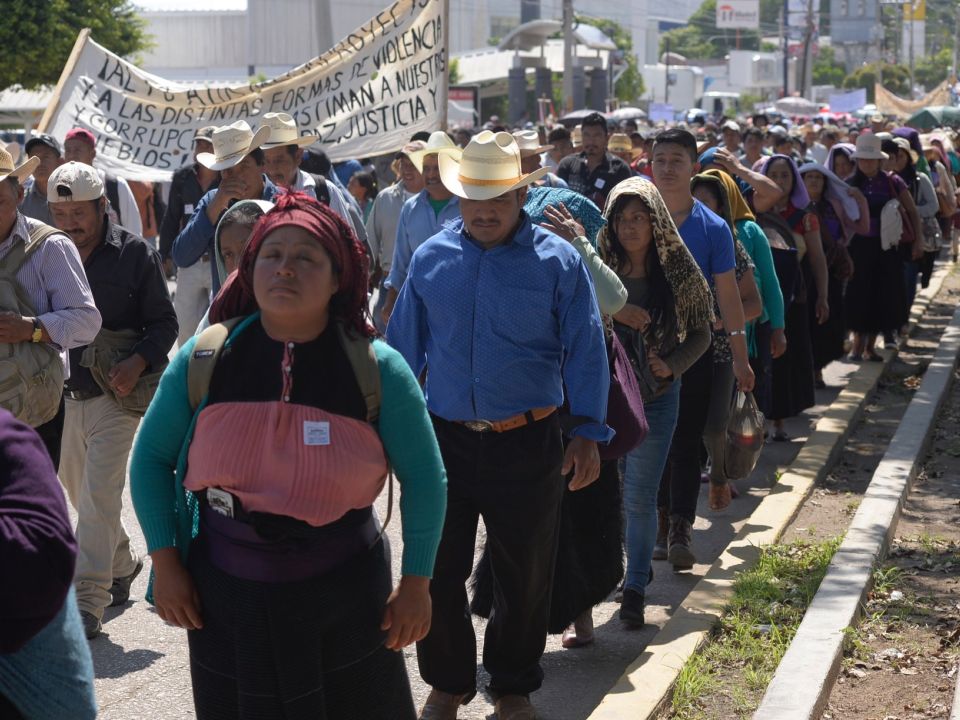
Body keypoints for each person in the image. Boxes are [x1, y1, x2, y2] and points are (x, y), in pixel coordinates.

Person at [130, 192, 447, 719]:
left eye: (306, 257)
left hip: (346, 592)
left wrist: (417, 582)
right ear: (250, 269)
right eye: (272, 255)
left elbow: (424, 477)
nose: (286, 268)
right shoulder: (206, 356)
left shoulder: (377, 368)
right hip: (226, 597)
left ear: (339, 276)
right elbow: (150, 461)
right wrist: (166, 563)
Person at [387, 131, 610, 720]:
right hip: (444, 441)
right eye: (474, 198)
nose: (485, 211)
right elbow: (402, 349)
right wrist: (388, 430)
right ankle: (448, 682)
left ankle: (512, 683)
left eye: (500, 199)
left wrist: (588, 429)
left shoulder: (558, 261)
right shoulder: (432, 258)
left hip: (530, 440)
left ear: (519, 196)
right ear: (459, 198)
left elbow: (587, 347)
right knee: (436, 567)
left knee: (525, 571)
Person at [46, 161, 177, 640]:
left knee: (98, 498)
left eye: (79, 213)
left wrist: (138, 362)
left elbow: (165, 324)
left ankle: (88, 601)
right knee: (84, 499)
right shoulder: (43, 252)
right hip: (59, 397)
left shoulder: (135, 254)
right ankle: (121, 562)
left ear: (103, 207)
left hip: (115, 398)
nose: (70, 225)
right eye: (61, 213)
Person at [603, 178, 713, 626]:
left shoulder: (678, 272)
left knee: (641, 494)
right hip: (608, 401)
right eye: (621, 219)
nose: (630, 228)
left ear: (655, 223)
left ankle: (634, 589)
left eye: (639, 218)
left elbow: (704, 333)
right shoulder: (599, 271)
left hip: (657, 400)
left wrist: (673, 365)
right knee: (615, 493)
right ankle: (629, 569)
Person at [649, 128, 754, 569]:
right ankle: (652, 523)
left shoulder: (714, 228)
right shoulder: (634, 214)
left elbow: (731, 296)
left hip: (695, 350)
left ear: (694, 168)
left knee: (685, 439)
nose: (667, 167)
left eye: (676, 160)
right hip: (643, 350)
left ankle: (679, 527)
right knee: (647, 441)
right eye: (660, 159)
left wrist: (742, 358)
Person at [0, 146, 101, 468]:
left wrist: (32, 329)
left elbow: (86, 321)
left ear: (20, 195)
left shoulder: (51, 246)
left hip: (33, 409)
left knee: (28, 511)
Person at [0, 409, 96, 719]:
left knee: (98, 499)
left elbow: (42, 559)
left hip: (29, 700)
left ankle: (95, 594)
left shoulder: (10, 441)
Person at [689, 173, 762, 510]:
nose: (699, 208)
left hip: (720, 348)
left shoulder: (729, 242)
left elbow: (753, 302)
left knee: (716, 422)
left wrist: (724, 321)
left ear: (720, 206)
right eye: (695, 200)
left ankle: (718, 476)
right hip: (680, 348)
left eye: (708, 201)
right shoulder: (668, 238)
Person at [703, 168, 787, 419]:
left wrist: (778, 328)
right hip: (707, 343)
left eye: (707, 200)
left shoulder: (749, 231)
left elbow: (769, 283)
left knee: (747, 394)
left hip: (749, 331)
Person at [757, 154, 829, 441]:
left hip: (793, 297)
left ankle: (779, 422)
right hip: (757, 295)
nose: (779, 180)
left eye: (785, 175)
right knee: (759, 358)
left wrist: (822, 296)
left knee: (784, 358)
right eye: (772, 174)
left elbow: (817, 258)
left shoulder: (805, 217)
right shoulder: (752, 213)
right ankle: (756, 419)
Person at [173, 121, 280, 300]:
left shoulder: (282, 202)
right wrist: (216, 206)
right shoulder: (212, 201)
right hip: (228, 311)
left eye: (244, 166)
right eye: (227, 170)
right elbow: (182, 256)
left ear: (261, 164)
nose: (236, 176)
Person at [844, 134, 922, 361]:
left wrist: (918, 240)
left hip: (886, 249)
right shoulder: (849, 184)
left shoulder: (893, 182)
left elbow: (912, 211)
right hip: (858, 249)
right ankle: (857, 344)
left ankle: (870, 346)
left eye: (871, 159)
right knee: (858, 295)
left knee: (882, 295)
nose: (866, 163)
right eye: (862, 159)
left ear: (880, 160)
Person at [380, 131, 462, 328]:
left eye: (438, 168)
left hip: (458, 307)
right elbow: (400, 261)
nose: (431, 174)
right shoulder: (410, 208)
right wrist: (390, 301)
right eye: (426, 168)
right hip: (417, 304)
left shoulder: (468, 205)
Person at [799, 163, 866, 384]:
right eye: (809, 177)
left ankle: (818, 369)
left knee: (827, 321)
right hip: (802, 271)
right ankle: (807, 370)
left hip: (831, 273)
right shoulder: (795, 206)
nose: (814, 181)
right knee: (804, 322)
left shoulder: (834, 206)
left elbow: (861, 227)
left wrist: (861, 201)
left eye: (819, 177)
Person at [160, 126, 220, 347]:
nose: (201, 149)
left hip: (218, 261)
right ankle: (187, 374)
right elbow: (171, 217)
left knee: (217, 323)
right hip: (189, 261)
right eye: (199, 144)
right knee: (184, 328)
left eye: (208, 144)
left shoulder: (228, 177)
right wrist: (164, 254)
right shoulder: (183, 177)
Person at [366, 141, 426, 334]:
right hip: (389, 286)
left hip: (427, 288)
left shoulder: (439, 200)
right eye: (404, 164)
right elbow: (369, 244)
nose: (407, 169)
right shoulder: (385, 198)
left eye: (414, 164)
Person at [883, 137, 938, 333]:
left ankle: (902, 319)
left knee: (907, 281)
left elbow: (933, 206)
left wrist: (908, 212)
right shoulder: (881, 180)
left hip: (910, 237)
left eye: (900, 156)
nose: (896, 160)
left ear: (907, 156)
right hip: (887, 240)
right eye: (891, 156)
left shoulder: (919, 179)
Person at [63, 127, 143, 236]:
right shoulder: (59, 187)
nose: (71, 156)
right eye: (68, 150)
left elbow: (133, 230)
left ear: (92, 154)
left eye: (78, 150)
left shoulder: (115, 185)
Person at [557, 112, 633, 208]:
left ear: (606, 138)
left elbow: (625, 207)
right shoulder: (567, 165)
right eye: (587, 135)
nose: (591, 141)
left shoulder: (619, 169)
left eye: (597, 135)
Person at [19, 133, 63, 224]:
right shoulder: (20, 200)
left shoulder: (74, 194)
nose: (39, 163)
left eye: (45, 157)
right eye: (34, 158)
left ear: (59, 162)